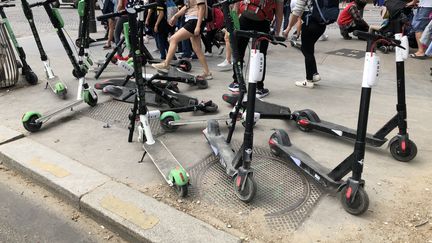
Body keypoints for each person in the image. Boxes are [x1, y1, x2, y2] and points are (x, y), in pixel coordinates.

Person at [227, 0, 284, 98]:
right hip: (263, 21)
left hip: (244, 19)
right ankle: (259, 88)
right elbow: (279, 12)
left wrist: (235, 26)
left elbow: (235, 7)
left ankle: (237, 82)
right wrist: (277, 33)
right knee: (260, 55)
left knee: (238, 52)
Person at [152, 0, 213, 80]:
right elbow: (186, 6)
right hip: (192, 20)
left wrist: (198, 26)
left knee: (173, 39)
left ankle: (166, 64)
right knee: (197, 49)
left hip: (195, 20)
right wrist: (175, 16)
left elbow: (202, 8)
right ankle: (207, 72)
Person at [283, 0, 326, 88]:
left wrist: (288, 28)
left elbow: (297, 10)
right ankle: (314, 74)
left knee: (306, 50)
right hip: (322, 24)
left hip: (310, 24)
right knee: (309, 48)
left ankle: (308, 80)